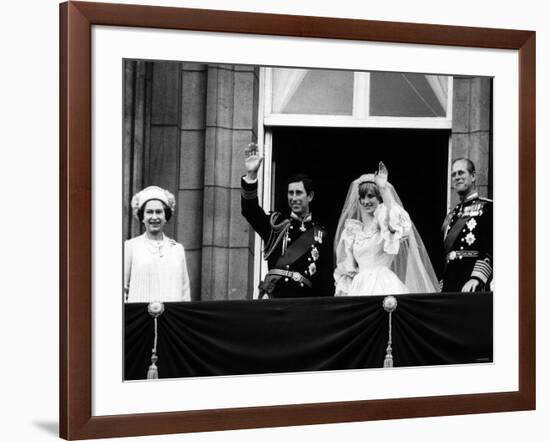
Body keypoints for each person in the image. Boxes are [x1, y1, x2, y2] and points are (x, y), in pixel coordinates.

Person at [334, 162, 439, 296]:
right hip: (358, 287)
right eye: (362, 197)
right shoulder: (353, 232)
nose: (366, 201)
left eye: (370, 196)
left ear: (379, 198)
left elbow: (393, 223)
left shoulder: (383, 220)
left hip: (382, 284)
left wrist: (384, 190)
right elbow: (348, 268)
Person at [241, 143, 332, 298]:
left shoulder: (321, 234)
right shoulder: (276, 225)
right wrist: (251, 175)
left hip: (306, 305)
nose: (294, 198)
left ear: (309, 196)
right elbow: (250, 211)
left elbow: (326, 280)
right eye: (290, 193)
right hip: (278, 302)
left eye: (298, 193)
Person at [124, 186, 191, 303]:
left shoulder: (177, 249)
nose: (154, 217)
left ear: (166, 216)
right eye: (149, 212)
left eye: (159, 212)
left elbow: (185, 292)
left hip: (171, 318)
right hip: (140, 318)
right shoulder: (130, 247)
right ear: (142, 217)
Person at [441, 158, 493, 292]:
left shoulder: (488, 208)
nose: (457, 177)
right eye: (454, 174)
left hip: (472, 284)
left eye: (461, 173)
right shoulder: (451, 216)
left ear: (473, 176)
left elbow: (491, 246)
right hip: (449, 284)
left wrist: (477, 278)